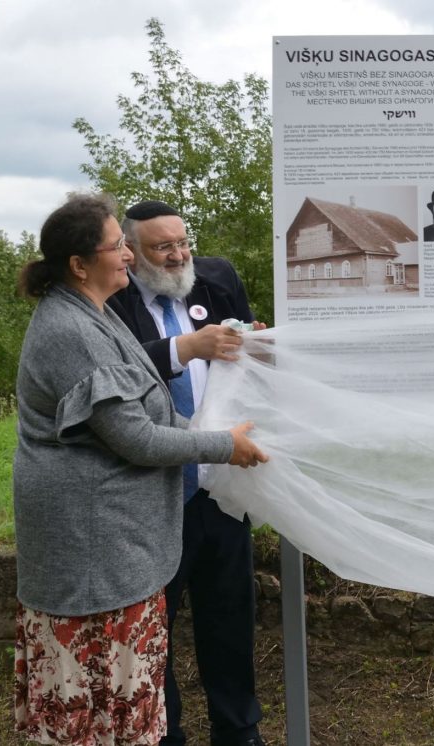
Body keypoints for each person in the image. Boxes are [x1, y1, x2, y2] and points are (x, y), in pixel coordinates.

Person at [12, 194, 267, 746]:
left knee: (136, 685)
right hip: (93, 547)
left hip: (122, 536)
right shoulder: (73, 330)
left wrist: (216, 434)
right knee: (98, 703)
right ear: (80, 264)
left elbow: (149, 405)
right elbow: (135, 436)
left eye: (182, 242)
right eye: (119, 246)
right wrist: (223, 445)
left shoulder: (97, 313)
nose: (128, 256)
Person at [108, 200, 269, 746]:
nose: (179, 255)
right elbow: (115, 371)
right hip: (153, 493)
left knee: (230, 618)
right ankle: (164, 732)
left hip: (221, 483)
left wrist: (254, 342)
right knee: (155, 626)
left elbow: (244, 357)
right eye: (163, 247)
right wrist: (186, 348)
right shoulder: (111, 299)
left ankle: (239, 730)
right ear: (130, 253)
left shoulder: (216, 279)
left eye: (183, 242)